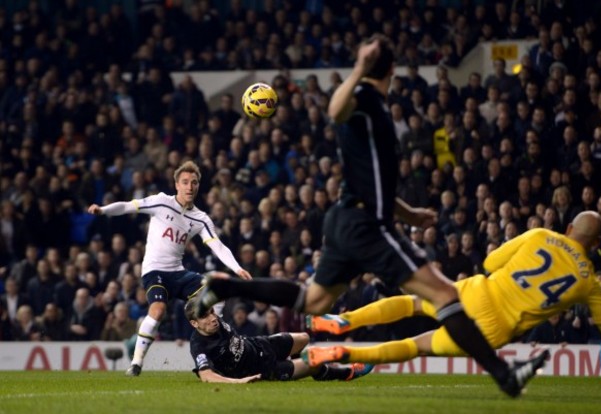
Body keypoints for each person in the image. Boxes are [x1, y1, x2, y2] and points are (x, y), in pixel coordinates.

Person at [196, 34, 546, 397]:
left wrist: (409, 215)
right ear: (393, 69)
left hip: (348, 218)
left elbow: (374, 180)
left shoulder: (374, 108)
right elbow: (334, 110)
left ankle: (224, 286)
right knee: (445, 295)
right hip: (365, 224)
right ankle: (505, 376)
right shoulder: (363, 100)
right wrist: (360, 68)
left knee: (314, 301)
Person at [301, 212, 601, 368]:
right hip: (494, 328)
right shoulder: (590, 283)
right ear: (597, 244)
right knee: (414, 346)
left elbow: (492, 261)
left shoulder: (540, 236)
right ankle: (341, 355)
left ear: (569, 228)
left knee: (411, 304)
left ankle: (345, 320)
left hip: (477, 292)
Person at [88, 160, 252, 376]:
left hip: (178, 272)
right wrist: (103, 210)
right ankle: (136, 364)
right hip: (154, 271)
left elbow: (218, 246)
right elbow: (129, 206)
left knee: (218, 294)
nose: (189, 187)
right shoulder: (161, 202)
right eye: (185, 182)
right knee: (158, 310)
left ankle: (213, 345)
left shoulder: (200, 219)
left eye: (194, 183)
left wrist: (237, 268)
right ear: (177, 184)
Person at [184, 298, 373, 384]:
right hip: (262, 369)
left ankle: (306, 369)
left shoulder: (213, 319)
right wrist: (239, 382)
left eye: (211, 312)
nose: (213, 318)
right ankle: (346, 373)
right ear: (194, 323)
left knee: (304, 338)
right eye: (205, 317)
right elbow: (206, 376)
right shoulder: (199, 346)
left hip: (260, 344)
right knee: (315, 361)